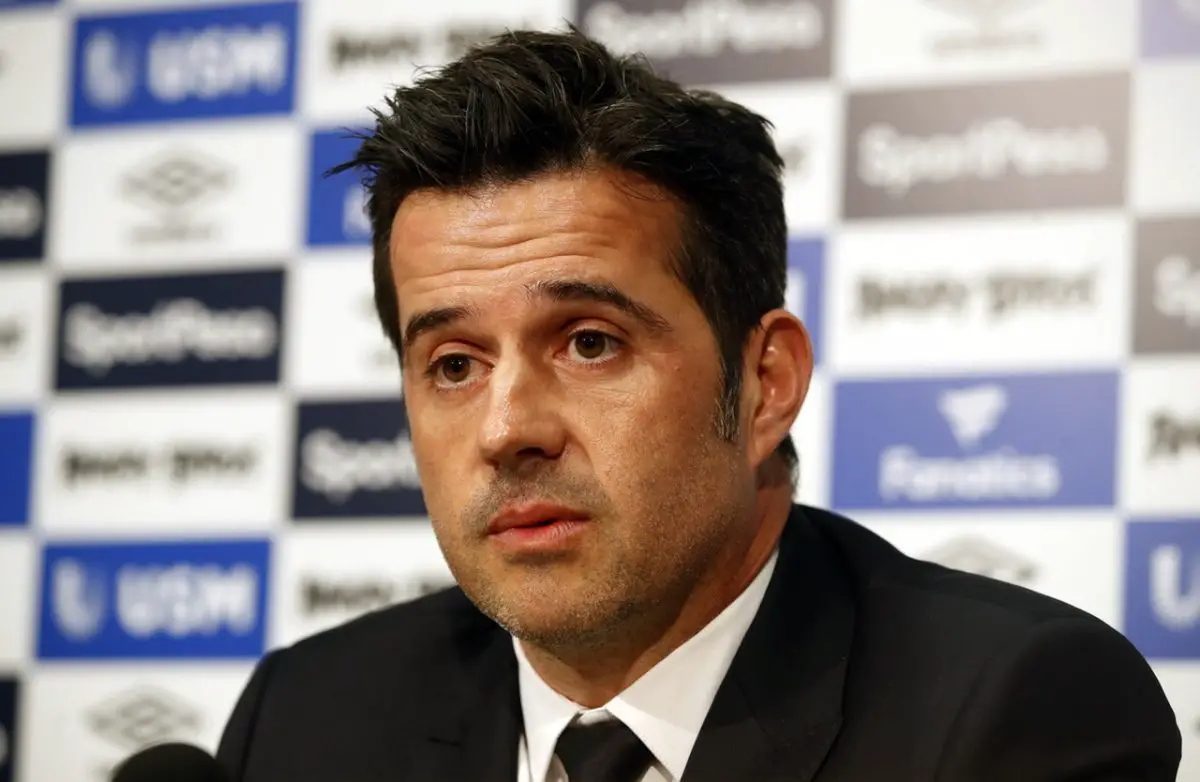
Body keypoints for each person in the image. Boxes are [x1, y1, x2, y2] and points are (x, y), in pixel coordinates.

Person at [215, 27, 1181, 782]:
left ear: (765, 384)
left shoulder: (1011, 717)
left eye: (590, 343)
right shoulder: (306, 721)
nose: (508, 430)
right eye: (455, 364)